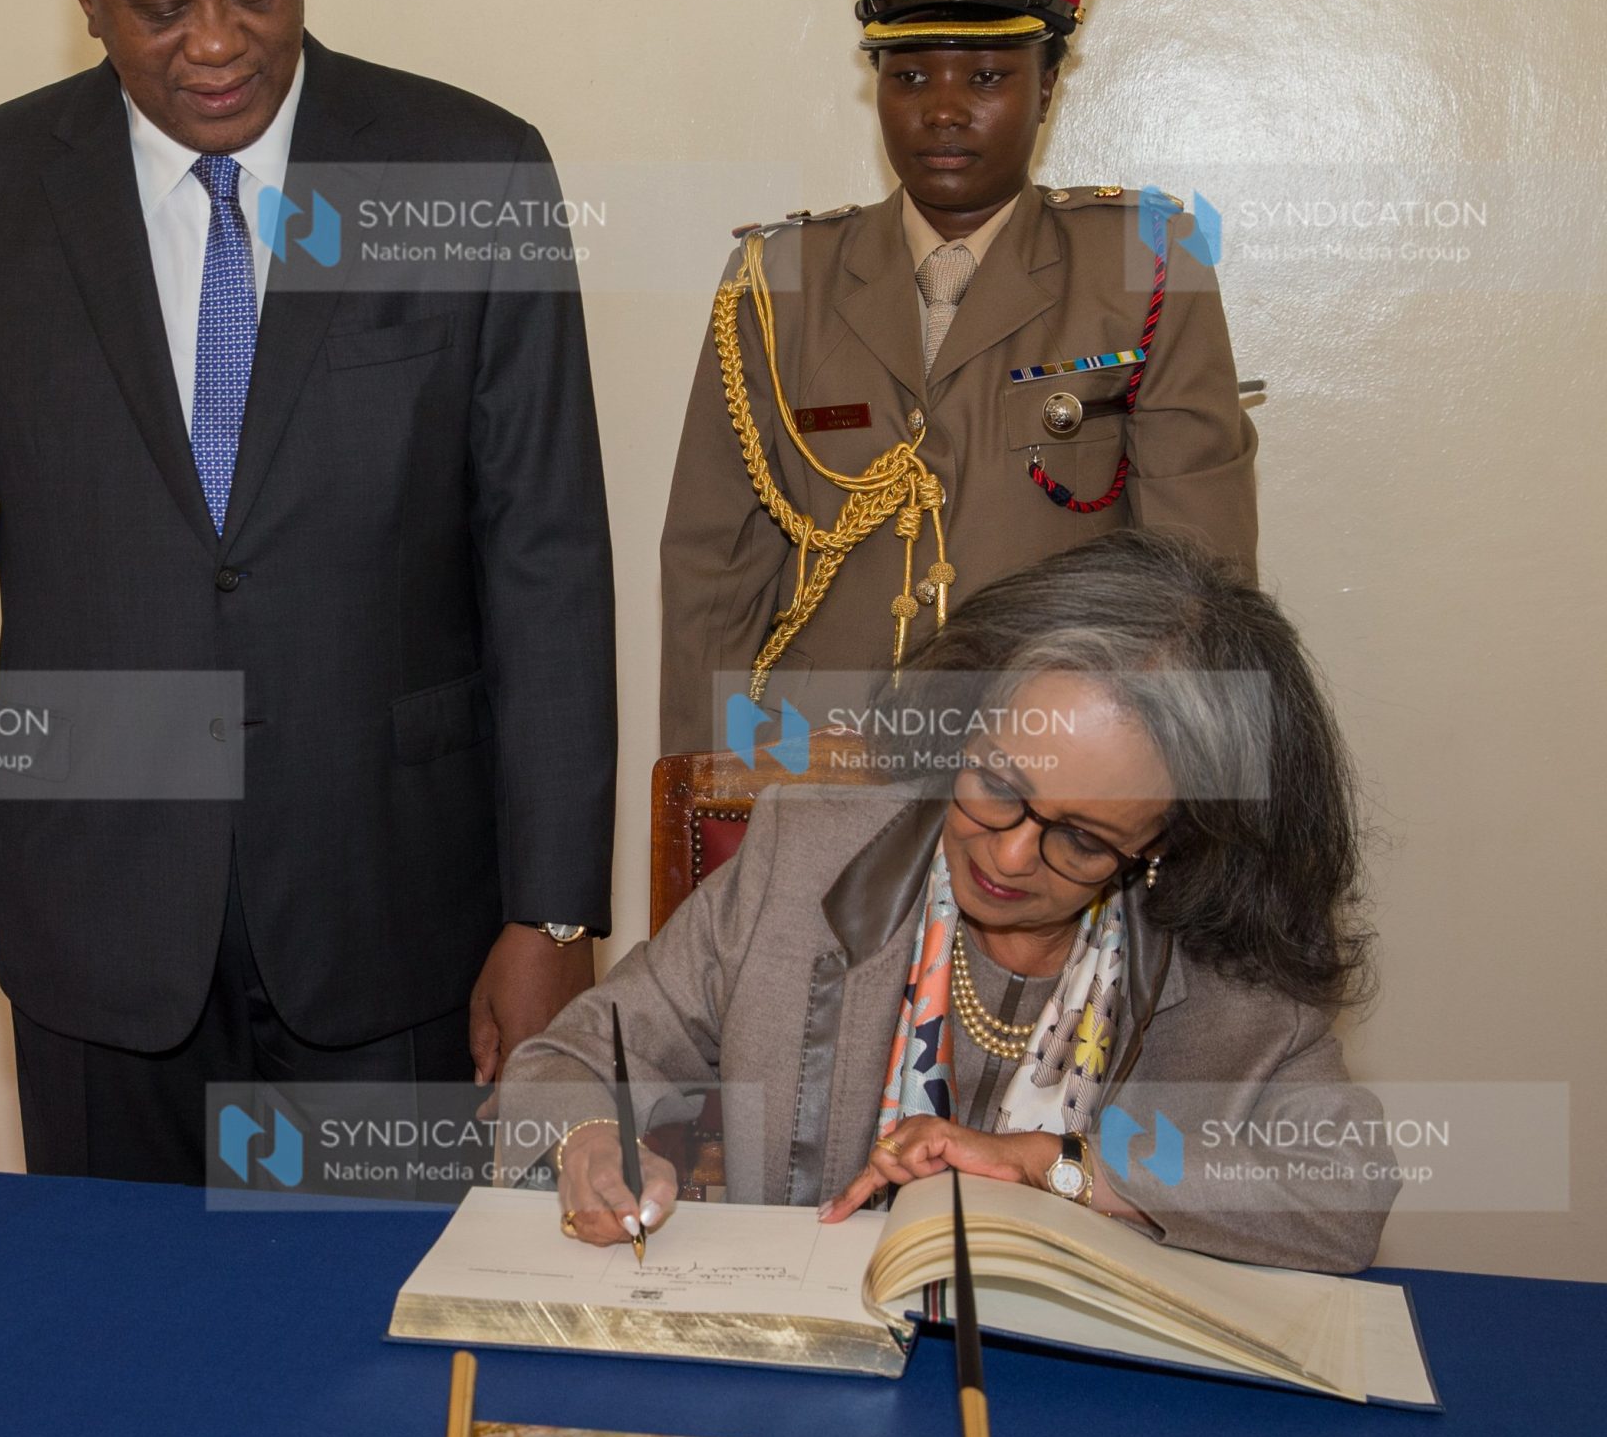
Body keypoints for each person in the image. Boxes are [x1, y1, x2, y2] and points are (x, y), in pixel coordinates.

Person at [0, 0, 617, 1184]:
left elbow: (546, 564)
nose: (217, 43)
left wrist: (554, 913)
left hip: (396, 919)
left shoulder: (470, 168)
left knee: (377, 1360)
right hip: (98, 934)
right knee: (117, 1356)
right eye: (163, 5)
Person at [505, 531, 1393, 1276]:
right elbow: (567, 1057)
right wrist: (589, 1138)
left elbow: (1348, 1189)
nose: (1008, 853)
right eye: (998, 781)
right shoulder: (805, 859)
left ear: (1163, 842)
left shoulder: (1233, 972)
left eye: (1083, 838)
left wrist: (1055, 1167)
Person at [660, 0, 1258, 752]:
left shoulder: (1144, 265)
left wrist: (1161, 807)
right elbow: (713, 572)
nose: (943, 108)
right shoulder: (778, 279)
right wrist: (708, 798)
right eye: (909, 75)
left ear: (1048, 88)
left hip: (1052, 780)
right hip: (819, 771)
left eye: (986, 76)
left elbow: (1198, 584)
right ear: (877, 89)